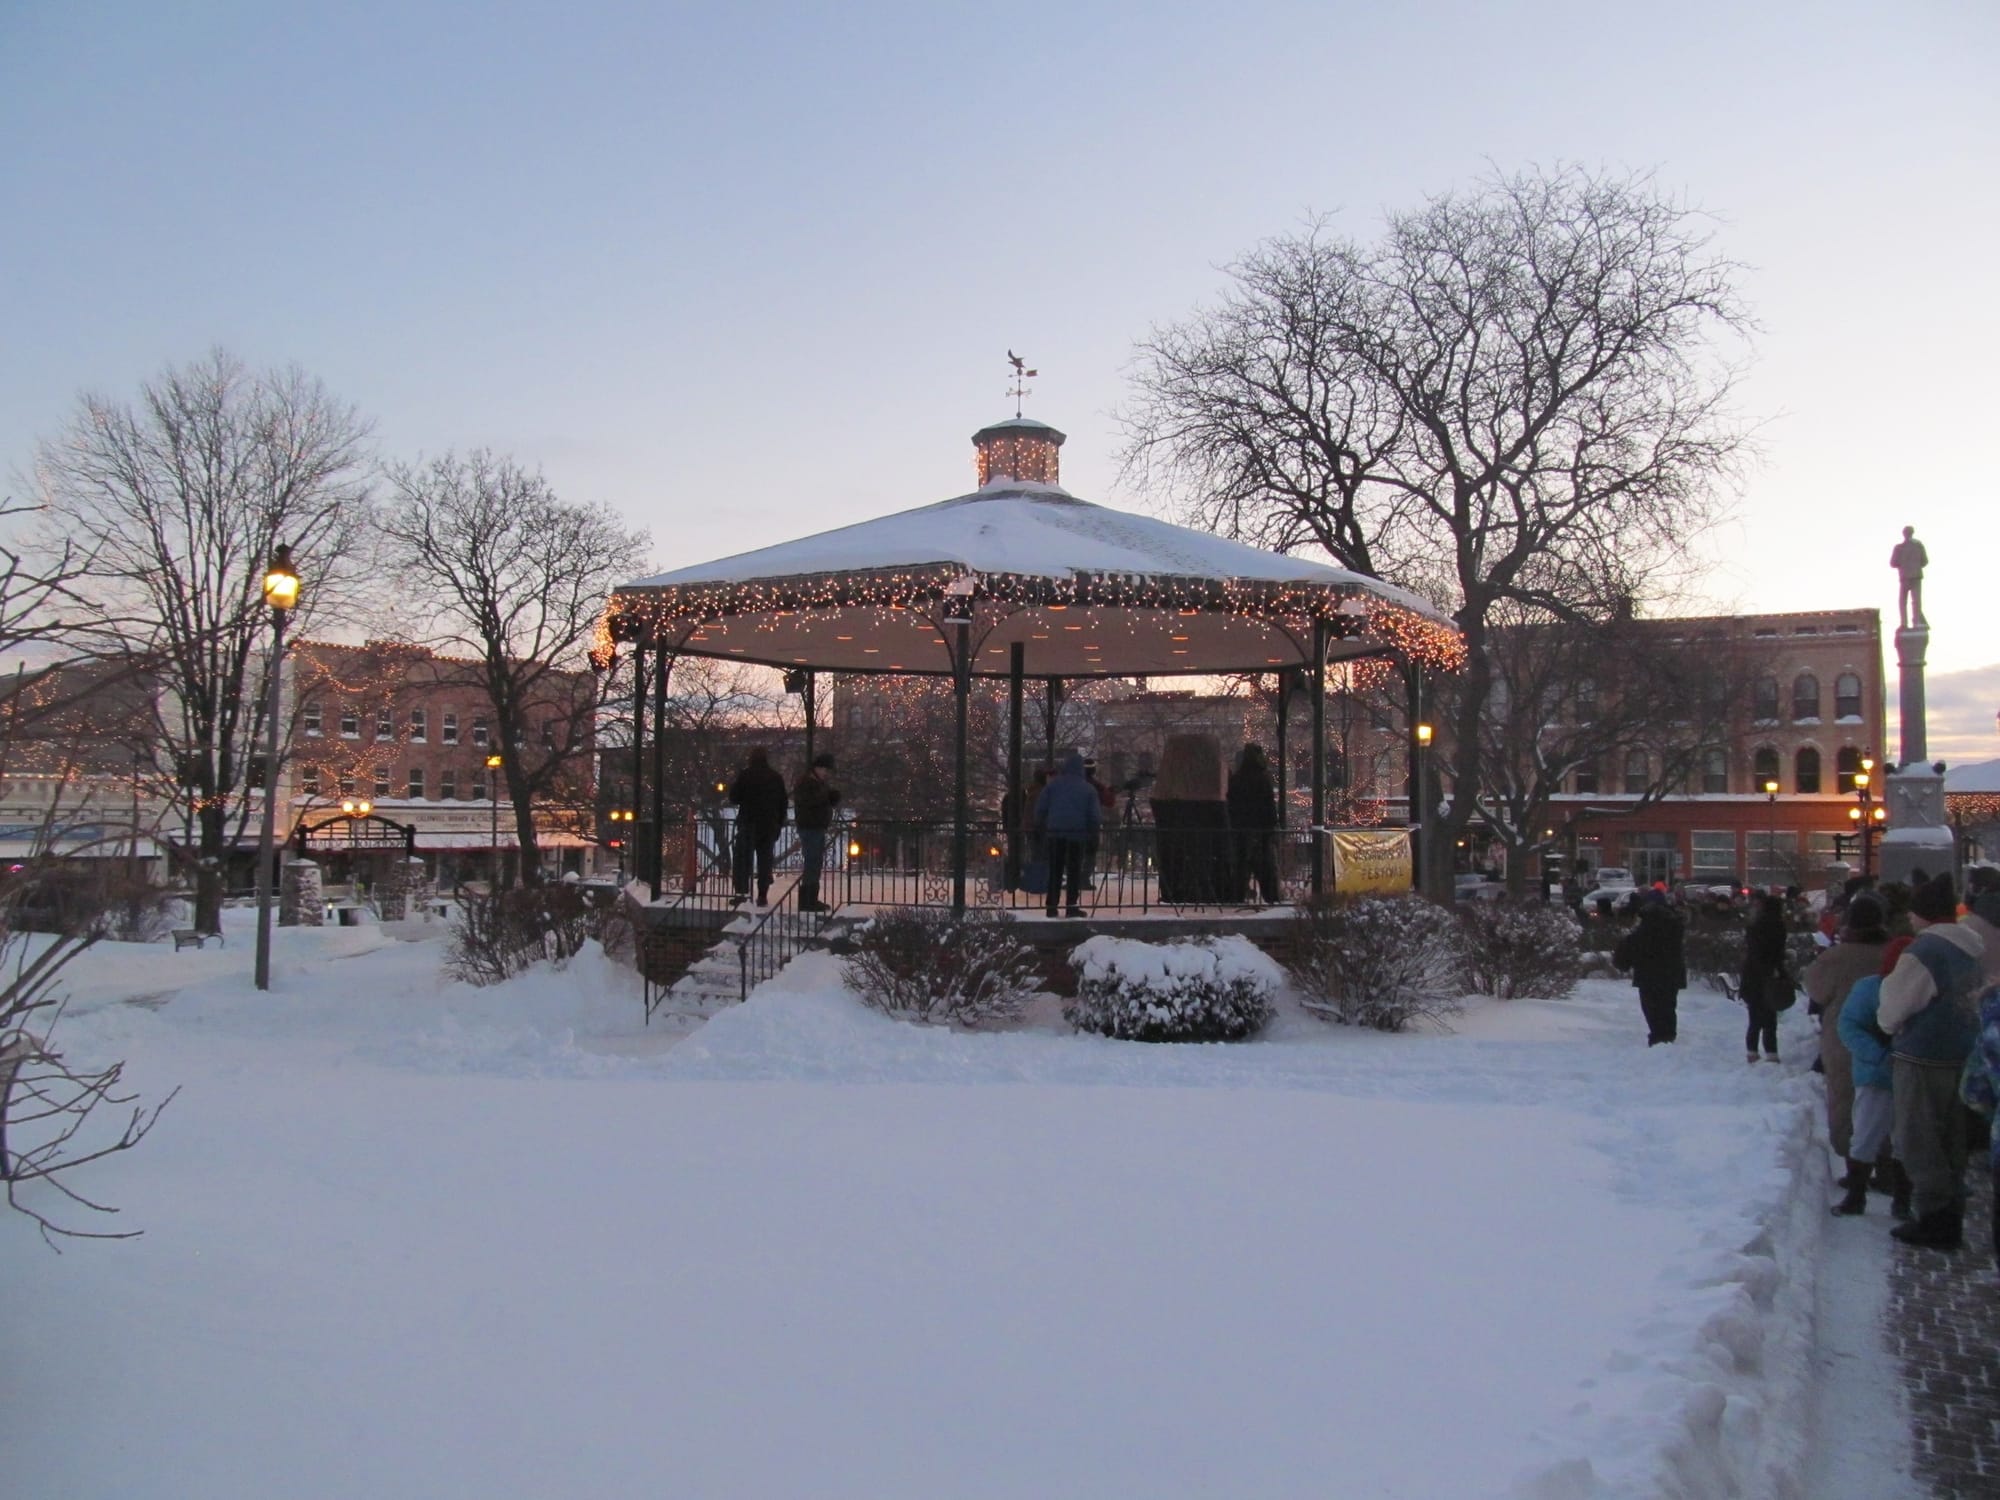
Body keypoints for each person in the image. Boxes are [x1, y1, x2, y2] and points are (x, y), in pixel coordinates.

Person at [1878, 874, 1987, 1248]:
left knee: (1918, 1138)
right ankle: (1951, 1212)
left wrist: (1888, 1022)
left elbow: (1893, 1009)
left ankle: (1934, 1218)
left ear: (1924, 914)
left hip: (1922, 1056)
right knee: (1952, 1139)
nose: (1910, 918)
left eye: (1914, 911)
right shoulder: (1972, 948)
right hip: (1963, 1053)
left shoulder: (1924, 951)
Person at [1804, 892, 1891, 1193]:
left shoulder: (1838, 957)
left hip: (1845, 1037)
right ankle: (1888, 1165)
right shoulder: (1893, 952)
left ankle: (1855, 1169)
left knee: (1845, 1099)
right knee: (1886, 1103)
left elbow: (1815, 989)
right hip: (1887, 1037)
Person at [1834, 936, 1914, 1217]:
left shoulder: (1923, 990)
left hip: (1910, 1076)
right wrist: (1878, 1055)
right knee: (1866, 1135)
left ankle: (1902, 1200)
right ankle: (1856, 1197)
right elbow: (1849, 1026)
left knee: (1905, 1139)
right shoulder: (1870, 989)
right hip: (1876, 1075)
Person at [1613, 887, 1687, 1044]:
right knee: (1668, 1006)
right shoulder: (1675, 923)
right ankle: (1667, 1036)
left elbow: (1633, 946)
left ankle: (1659, 1038)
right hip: (1671, 974)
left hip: (1649, 975)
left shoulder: (1647, 925)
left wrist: (1622, 961)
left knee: (1652, 1009)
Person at [1034, 752, 1101, 919]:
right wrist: (1093, 834)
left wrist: (1042, 827)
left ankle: (1051, 906)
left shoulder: (1053, 786)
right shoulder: (1088, 789)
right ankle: (1071, 906)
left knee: (1055, 870)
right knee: (1074, 871)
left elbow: (1040, 808)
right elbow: (1094, 816)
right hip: (1077, 835)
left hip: (1055, 834)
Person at [727, 746, 788, 907]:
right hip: (768, 825)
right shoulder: (775, 777)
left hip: (748, 824)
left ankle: (742, 893)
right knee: (764, 861)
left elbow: (734, 797)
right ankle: (762, 895)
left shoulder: (745, 775)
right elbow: (783, 803)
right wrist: (778, 824)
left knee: (742, 860)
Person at [1226, 743, 1281, 905]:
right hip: (1261, 831)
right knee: (1265, 868)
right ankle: (1272, 900)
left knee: (1241, 868)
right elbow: (1269, 806)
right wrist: (1272, 826)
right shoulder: (1263, 779)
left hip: (1241, 831)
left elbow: (1231, 805)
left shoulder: (1237, 779)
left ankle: (1236, 898)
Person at [1739, 893, 1790, 1063]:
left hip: (1752, 976)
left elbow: (1753, 952)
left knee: (1754, 1016)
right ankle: (1771, 1052)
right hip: (1770, 975)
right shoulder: (1777, 926)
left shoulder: (1754, 925)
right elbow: (1776, 953)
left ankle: (1752, 1052)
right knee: (1770, 1016)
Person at [792, 753, 840, 912]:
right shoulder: (806, 783)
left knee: (815, 863)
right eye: (824, 770)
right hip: (810, 827)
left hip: (816, 827)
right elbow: (810, 802)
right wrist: (827, 797)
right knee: (812, 863)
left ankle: (811, 898)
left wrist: (830, 799)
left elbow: (820, 801)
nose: (826, 773)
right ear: (817, 768)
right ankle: (807, 900)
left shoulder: (818, 784)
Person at [1081, 757, 1115, 891]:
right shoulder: (1097, 786)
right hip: (1091, 825)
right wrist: (1111, 792)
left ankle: (1075, 878)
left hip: (1075, 825)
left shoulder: (1074, 784)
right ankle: (1084, 878)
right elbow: (1109, 802)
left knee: (1076, 852)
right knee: (1090, 853)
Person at [1889, 524, 1927, 628]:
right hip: (1916, 577)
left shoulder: (1899, 548)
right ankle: (1916, 622)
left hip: (1905, 577)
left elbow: (1893, 563)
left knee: (1903, 601)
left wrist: (1903, 565)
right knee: (1916, 601)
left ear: (1904, 534)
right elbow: (1925, 561)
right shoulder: (1918, 546)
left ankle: (1904, 623)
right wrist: (1915, 565)